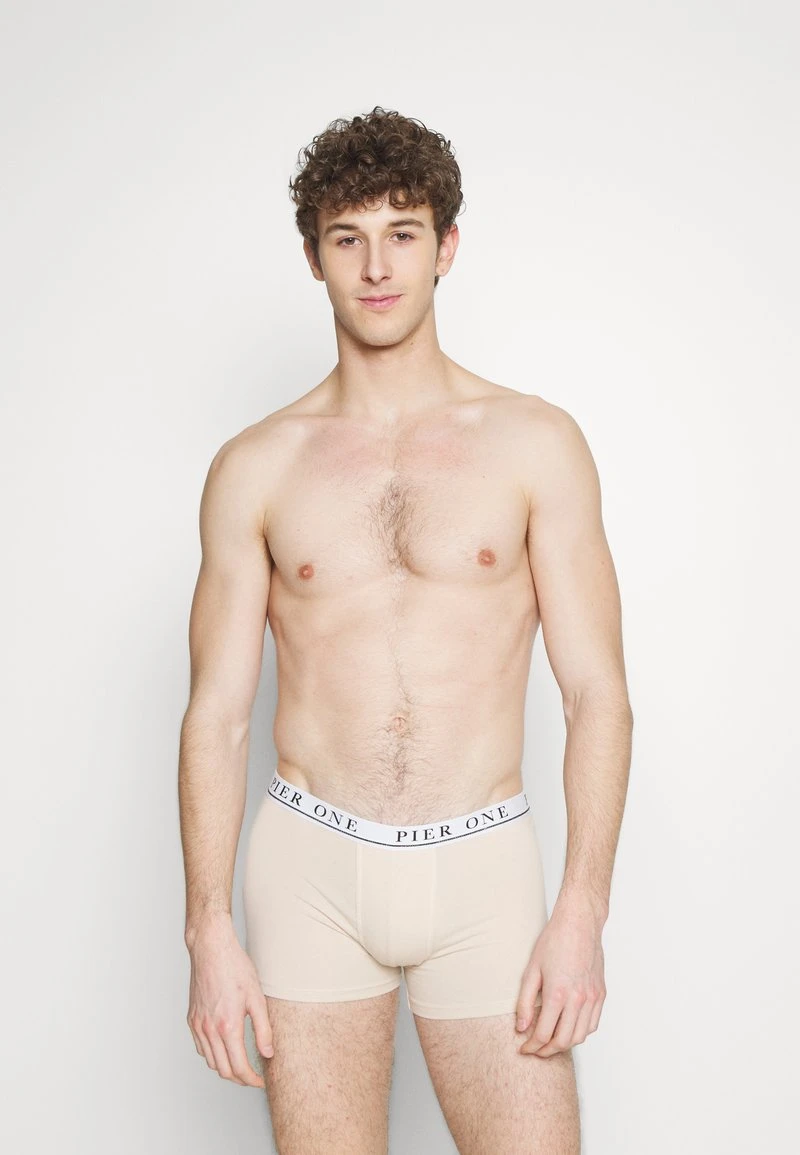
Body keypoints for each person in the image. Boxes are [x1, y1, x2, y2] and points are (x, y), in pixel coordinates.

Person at [178, 105, 633, 1154]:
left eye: (402, 232)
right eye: (347, 237)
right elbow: (216, 715)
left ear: (446, 247)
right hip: (309, 868)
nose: (376, 266)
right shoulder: (255, 466)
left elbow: (597, 693)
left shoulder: (534, 442)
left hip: (483, 866)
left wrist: (582, 910)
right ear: (313, 258)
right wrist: (206, 930)